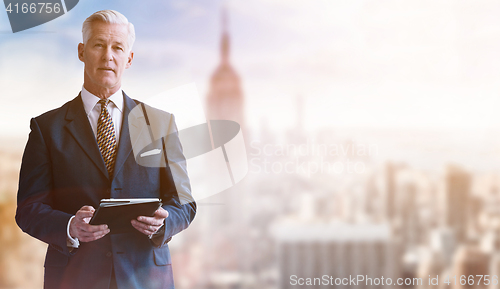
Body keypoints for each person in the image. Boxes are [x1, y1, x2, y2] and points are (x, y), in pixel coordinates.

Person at [15, 10, 196, 289]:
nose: (108, 56)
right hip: (75, 277)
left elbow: (184, 203)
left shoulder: (160, 124)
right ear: (82, 51)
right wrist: (69, 226)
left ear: (129, 58)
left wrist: (165, 222)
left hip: (145, 277)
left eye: (118, 47)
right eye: (98, 44)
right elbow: (28, 209)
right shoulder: (46, 128)